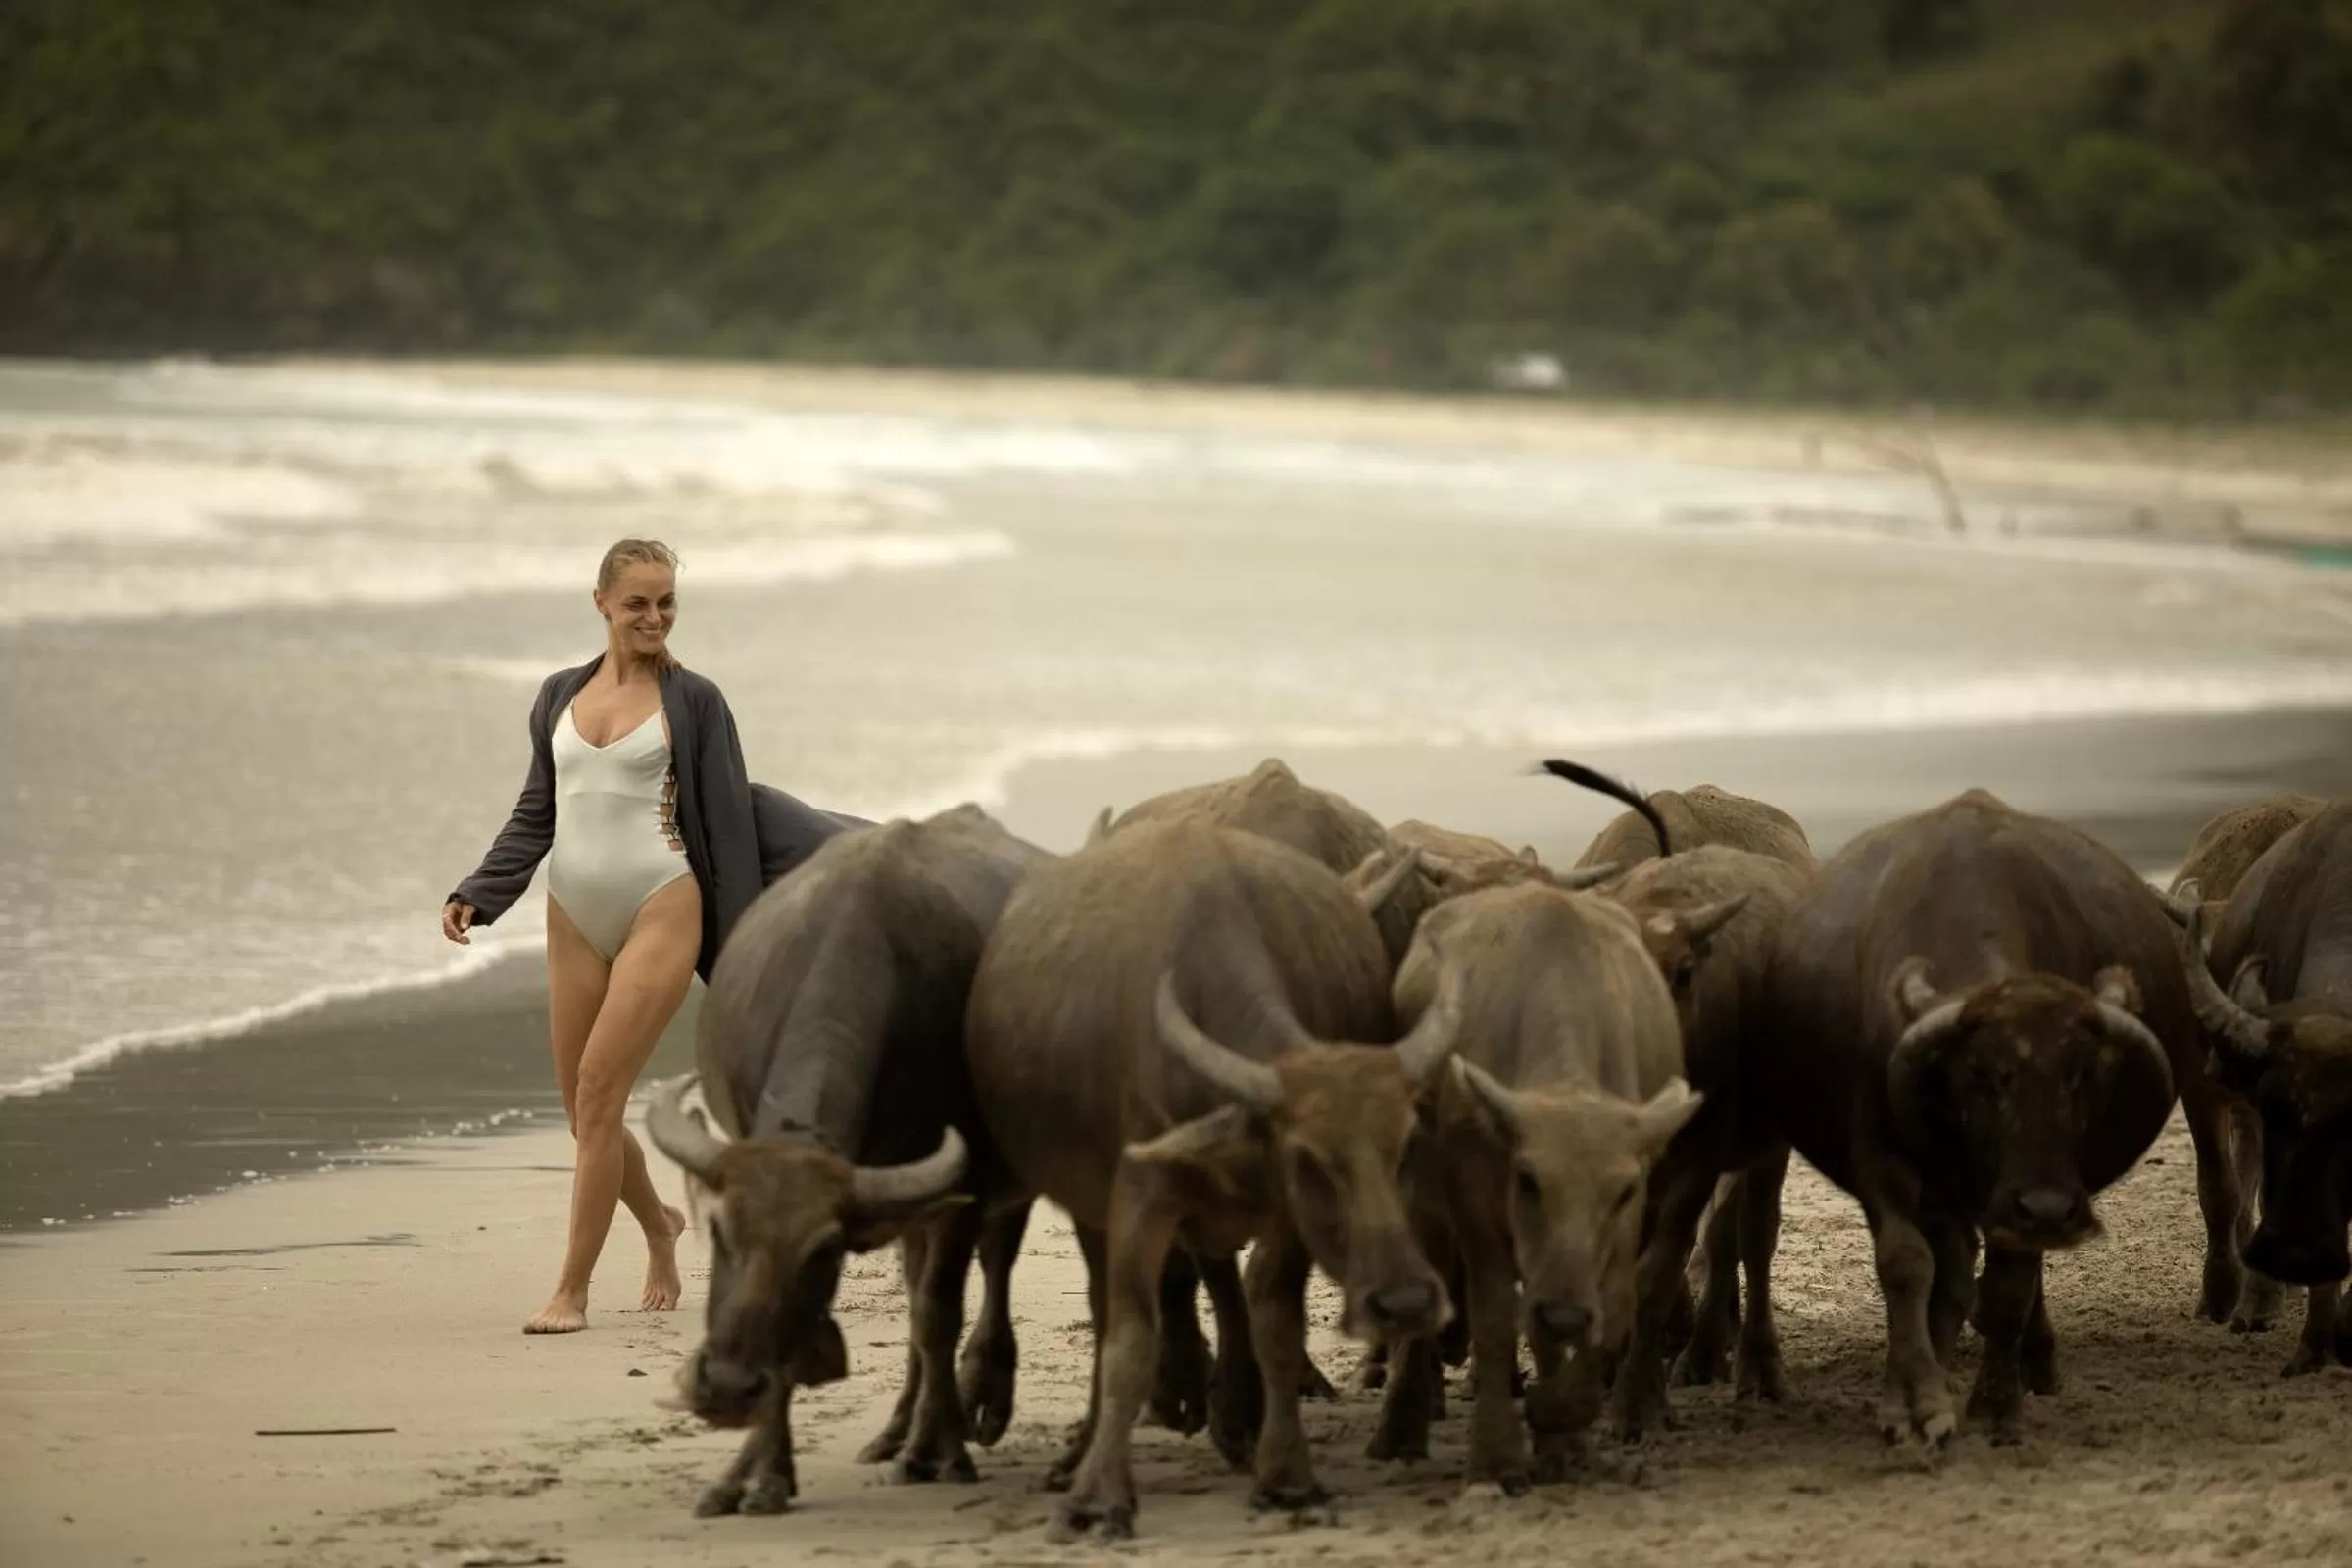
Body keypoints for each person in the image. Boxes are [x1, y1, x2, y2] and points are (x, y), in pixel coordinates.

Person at [443, 537, 780, 1335]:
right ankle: (661, 1224)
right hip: (572, 914)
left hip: (662, 903)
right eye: (638, 602)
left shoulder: (696, 702)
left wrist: (752, 955)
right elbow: (538, 811)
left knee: (599, 1096)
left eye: (666, 602)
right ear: (601, 602)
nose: (654, 616)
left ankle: (572, 1289)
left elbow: (728, 831)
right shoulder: (559, 693)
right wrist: (480, 891)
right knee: (585, 1113)